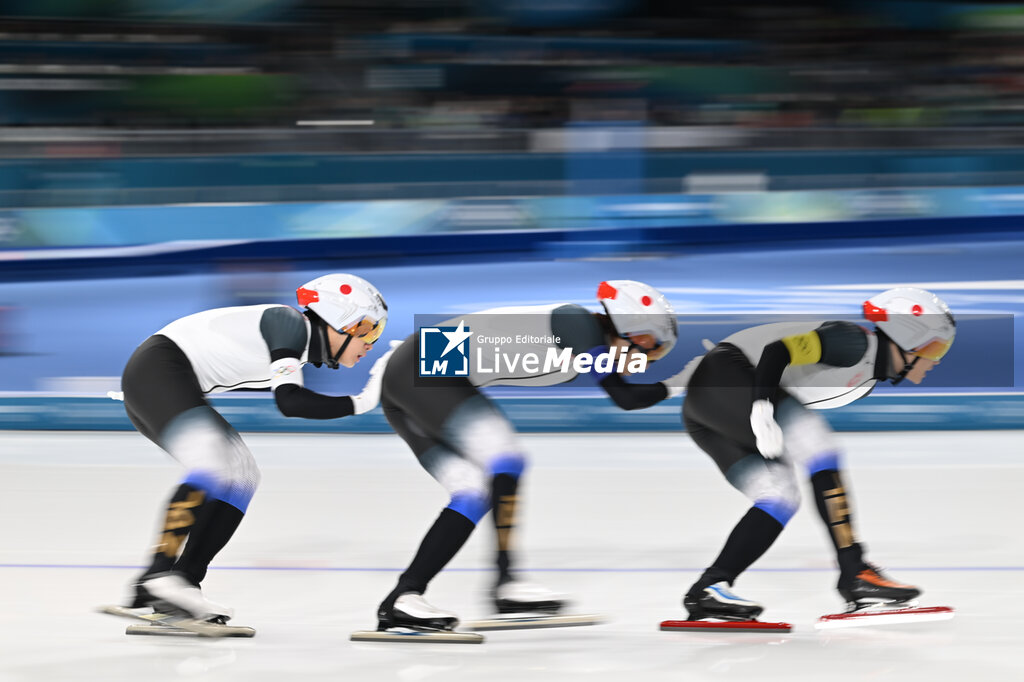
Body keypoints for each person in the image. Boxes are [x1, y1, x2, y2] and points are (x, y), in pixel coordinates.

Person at [374, 280, 688, 631]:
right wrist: (683, 381)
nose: (647, 358)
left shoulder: (581, 339)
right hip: (425, 363)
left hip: (411, 377)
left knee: (472, 491)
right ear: (626, 324)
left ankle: (404, 597)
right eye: (649, 345)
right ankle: (506, 582)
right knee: (505, 457)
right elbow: (625, 398)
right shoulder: (577, 322)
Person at [115, 273, 391, 624]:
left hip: (166, 379)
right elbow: (290, 402)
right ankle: (158, 574)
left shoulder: (298, 347)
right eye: (366, 328)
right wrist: (363, 402)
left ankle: (183, 582)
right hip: (158, 371)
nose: (370, 342)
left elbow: (292, 400)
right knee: (214, 464)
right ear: (336, 318)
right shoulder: (289, 323)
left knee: (242, 475)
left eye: (377, 333)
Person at [680, 287, 956, 620]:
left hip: (705, 411)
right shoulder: (853, 342)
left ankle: (708, 589)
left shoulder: (865, 379)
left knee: (779, 495)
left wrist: (762, 408)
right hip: (724, 378)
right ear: (905, 337)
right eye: (933, 347)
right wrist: (762, 407)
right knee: (818, 444)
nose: (935, 360)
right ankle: (854, 572)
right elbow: (777, 351)